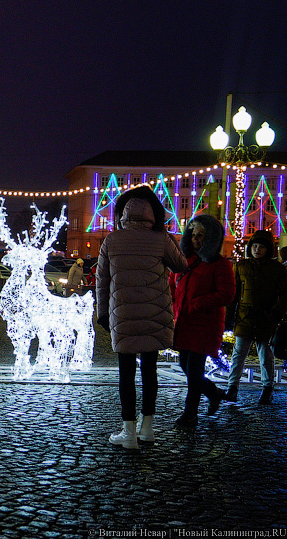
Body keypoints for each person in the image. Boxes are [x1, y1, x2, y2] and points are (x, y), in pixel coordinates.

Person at [97, 186, 187, 449]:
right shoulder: (161, 239)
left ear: (123, 215)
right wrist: (167, 237)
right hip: (154, 313)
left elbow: (102, 281)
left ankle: (129, 432)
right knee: (150, 372)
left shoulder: (111, 240)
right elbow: (182, 265)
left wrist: (103, 314)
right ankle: (147, 428)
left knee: (126, 374)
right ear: (153, 215)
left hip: (123, 314)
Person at [169, 215, 235, 427]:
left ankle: (190, 413)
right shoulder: (183, 260)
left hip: (204, 323)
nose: (196, 239)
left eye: (201, 235)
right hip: (184, 322)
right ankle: (213, 393)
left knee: (194, 368)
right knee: (185, 365)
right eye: (193, 234)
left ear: (211, 238)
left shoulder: (220, 264)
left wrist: (197, 303)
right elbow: (172, 285)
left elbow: (226, 294)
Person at [224, 230, 287, 406]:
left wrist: (277, 313)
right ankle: (232, 388)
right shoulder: (242, 266)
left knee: (265, 356)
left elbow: (286, 294)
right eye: (254, 246)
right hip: (245, 317)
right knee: (238, 355)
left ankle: (267, 389)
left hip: (265, 318)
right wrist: (228, 317)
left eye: (261, 247)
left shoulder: (277, 269)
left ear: (268, 249)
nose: (257, 250)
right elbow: (234, 293)